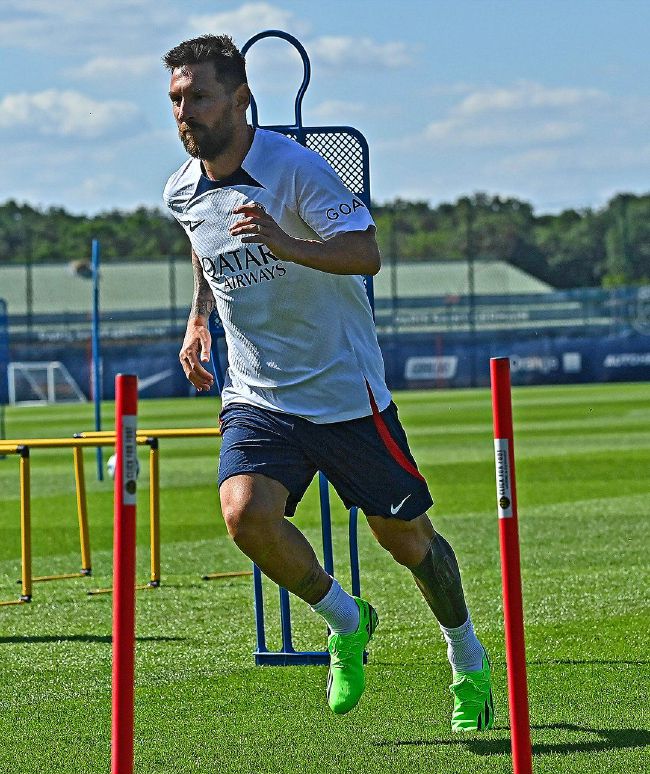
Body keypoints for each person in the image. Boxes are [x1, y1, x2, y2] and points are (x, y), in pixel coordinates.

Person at [162, 34, 494, 731]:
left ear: (241, 98)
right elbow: (204, 248)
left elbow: (367, 253)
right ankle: (346, 622)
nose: (185, 112)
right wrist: (198, 322)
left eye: (199, 97)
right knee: (245, 514)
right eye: (176, 100)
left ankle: (467, 659)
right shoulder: (182, 190)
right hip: (258, 394)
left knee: (404, 541)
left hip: (346, 395)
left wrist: (287, 244)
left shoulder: (297, 171)